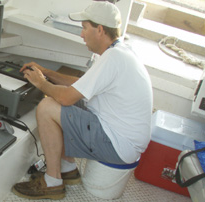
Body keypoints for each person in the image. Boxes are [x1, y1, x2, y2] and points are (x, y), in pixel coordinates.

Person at [12, 1, 153, 200]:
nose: (81, 34)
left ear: (100, 30)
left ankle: (52, 183)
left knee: (47, 107)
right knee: (60, 100)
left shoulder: (113, 58)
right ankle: (68, 169)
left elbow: (65, 97)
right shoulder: (120, 52)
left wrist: (41, 83)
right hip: (123, 139)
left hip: (118, 145)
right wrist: (46, 72)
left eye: (85, 28)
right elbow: (81, 84)